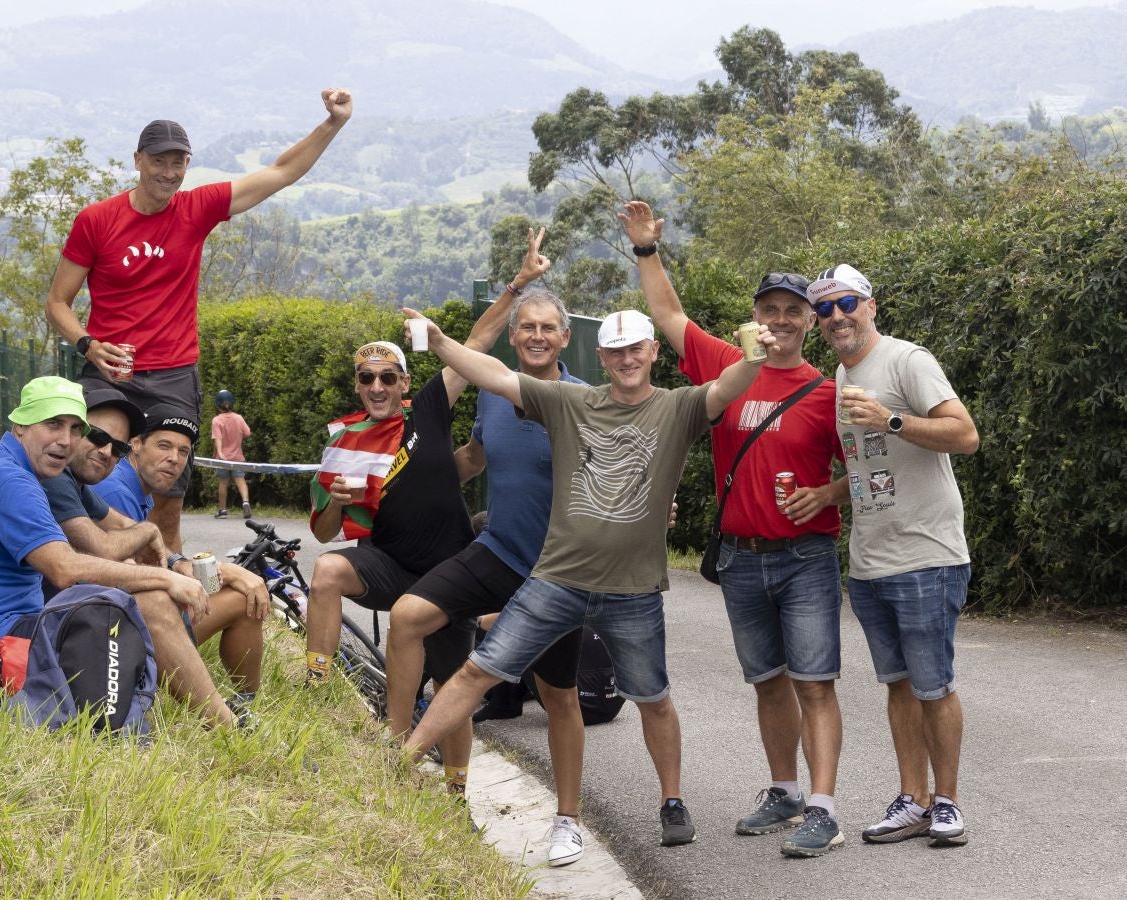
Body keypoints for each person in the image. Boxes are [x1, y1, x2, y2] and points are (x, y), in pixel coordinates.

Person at [402, 305, 777, 848]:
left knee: (654, 698)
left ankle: (672, 801)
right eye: (616, 351)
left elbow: (728, 386)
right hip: (558, 579)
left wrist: (755, 351)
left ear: (652, 352)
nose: (627, 359)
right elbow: (497, 376)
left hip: (634, 591)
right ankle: (398, 766)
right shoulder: (571, 401)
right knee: (476, 672)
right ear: (600, 357)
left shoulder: (679, 408)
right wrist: (439, 342)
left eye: (636, 349)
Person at [621, 201, 848, 858]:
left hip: (806, 555)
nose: (779, 320)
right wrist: (645, 249)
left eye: (792, 309)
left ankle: (824, 809)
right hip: (742, 557)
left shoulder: (827, 390)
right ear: (757, 315)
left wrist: (827, 492)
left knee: (815, 681)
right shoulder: (726, 363)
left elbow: (863, 470)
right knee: (768, 680)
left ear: (810, 319)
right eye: (769, 309)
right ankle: (784, 791)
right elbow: (667, 317)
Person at [45, 89, 354, 554]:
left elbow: (281, 172)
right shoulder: (97, 220)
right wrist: (88, 344)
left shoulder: (196, 209)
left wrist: (333, 123)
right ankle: (78, 581)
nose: (168, 174)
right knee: (91, 460)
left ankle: (171, 597)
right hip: (112, 373)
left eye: (179, 163)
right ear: (138, 160)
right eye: (159, 162)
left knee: (167, 497)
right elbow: (57, 303)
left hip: (174, 374)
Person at [0, 376, 267, 730]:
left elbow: (120, 527)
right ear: (20, 425)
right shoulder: (9, 478)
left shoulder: (17, 467)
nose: (65, 440)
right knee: (148, 602)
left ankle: (222, 706)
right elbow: (66, 568)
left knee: (140, 596)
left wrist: (163, 551)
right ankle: (226, 725)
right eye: (52, 424)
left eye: (75, 429)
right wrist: (164, 576)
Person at [384, 282, 593, 865]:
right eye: (526, 326)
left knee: (559, 698)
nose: (536, 336)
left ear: (565, 338)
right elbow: (473, 459)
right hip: (497, 550)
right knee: (407, 616)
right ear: (513, 333)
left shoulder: (583, 401)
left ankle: (568, 820)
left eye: (548, 328)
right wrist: (405, 481)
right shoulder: (494, 393)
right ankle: (392, 750)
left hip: (557, 569)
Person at [305, 241, 523, 796]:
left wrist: (516, 285)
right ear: (356, 384)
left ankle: (454, 795)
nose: (376, 386)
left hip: (451, 575)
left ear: (404, 384)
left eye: (387, 377)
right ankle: (320, 688)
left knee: (454, 689)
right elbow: (324, 532)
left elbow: (475, 343)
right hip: (392, 565)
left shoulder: (427, 409)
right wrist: (335, 498)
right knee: (328, 570)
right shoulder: (341, 441)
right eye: (365, 377)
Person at [812, 263, 979, 848]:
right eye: (825, 309)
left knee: (933, 685)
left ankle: (949, 804)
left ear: (870, 305)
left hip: (926, 555)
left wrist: (892, 418)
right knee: (899, 685)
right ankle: (914, 799)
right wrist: (827, 493)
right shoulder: (839, 374)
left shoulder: (909, 360)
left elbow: (964, 434)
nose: (836, 316)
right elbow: (869, 470)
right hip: (871, 560)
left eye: (846, 303)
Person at [44, 390, 265, 718]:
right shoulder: (112, 485)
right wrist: (202, 572)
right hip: (81, 622)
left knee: (222, 591)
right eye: (163, 446)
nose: (174, 459)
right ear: (137, 445)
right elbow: (111, 560)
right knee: (236, 600)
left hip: (87, 609)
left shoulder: (109, 485)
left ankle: (238, 707)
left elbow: (143, 544)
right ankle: (236, 712)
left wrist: (176, 561)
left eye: (183, 452)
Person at [210, 389, 252, 520]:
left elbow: (217, 438)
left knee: (223, 483)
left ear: (217, 404)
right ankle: (245, 502)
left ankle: (222, 510)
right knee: (241, 480)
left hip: (223, 459)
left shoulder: (217, 420)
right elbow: (248, 433)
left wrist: (219, 453)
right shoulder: (238, 418)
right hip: (237, 457)